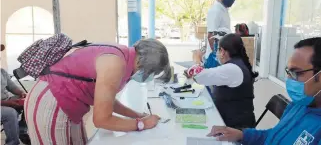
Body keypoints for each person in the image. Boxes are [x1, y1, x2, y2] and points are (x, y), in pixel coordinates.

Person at [24, 38, 171, 145]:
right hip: (52, 100)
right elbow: (101, 120)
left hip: (64, 100)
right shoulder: (116, 64)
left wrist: (139, 115)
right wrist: (141, 124)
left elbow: (107, 101)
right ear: (144, 65)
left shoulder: (121, 54)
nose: (148, 77)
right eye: (152, 73)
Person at [207, 37, 321, 144]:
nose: (289, 79)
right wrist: (241, 135)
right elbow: (273, 136)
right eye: (288, 72)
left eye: (297, 73)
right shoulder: (299, 105)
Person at [188, 34, 258, 129]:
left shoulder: (232, 69)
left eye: (218, 49)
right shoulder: (236, 65)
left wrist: (197, 59)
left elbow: (200, 76)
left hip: (236, 128)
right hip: (232, 120)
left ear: (223, 52)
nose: (217, 53)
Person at [193, 0, 236, 66]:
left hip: (222, 55)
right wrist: (217, 56)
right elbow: (211, 36)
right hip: (216, 58)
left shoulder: (224, 9)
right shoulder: (216, 11)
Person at [1, 44, 29, 145]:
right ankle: (12, 143)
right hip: (3, 104)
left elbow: (12, 87)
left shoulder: (2, 72)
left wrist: (21, 93)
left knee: (29, 101)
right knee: (10, 113)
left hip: (5, 101)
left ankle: (21, 131)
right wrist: (9, 103)